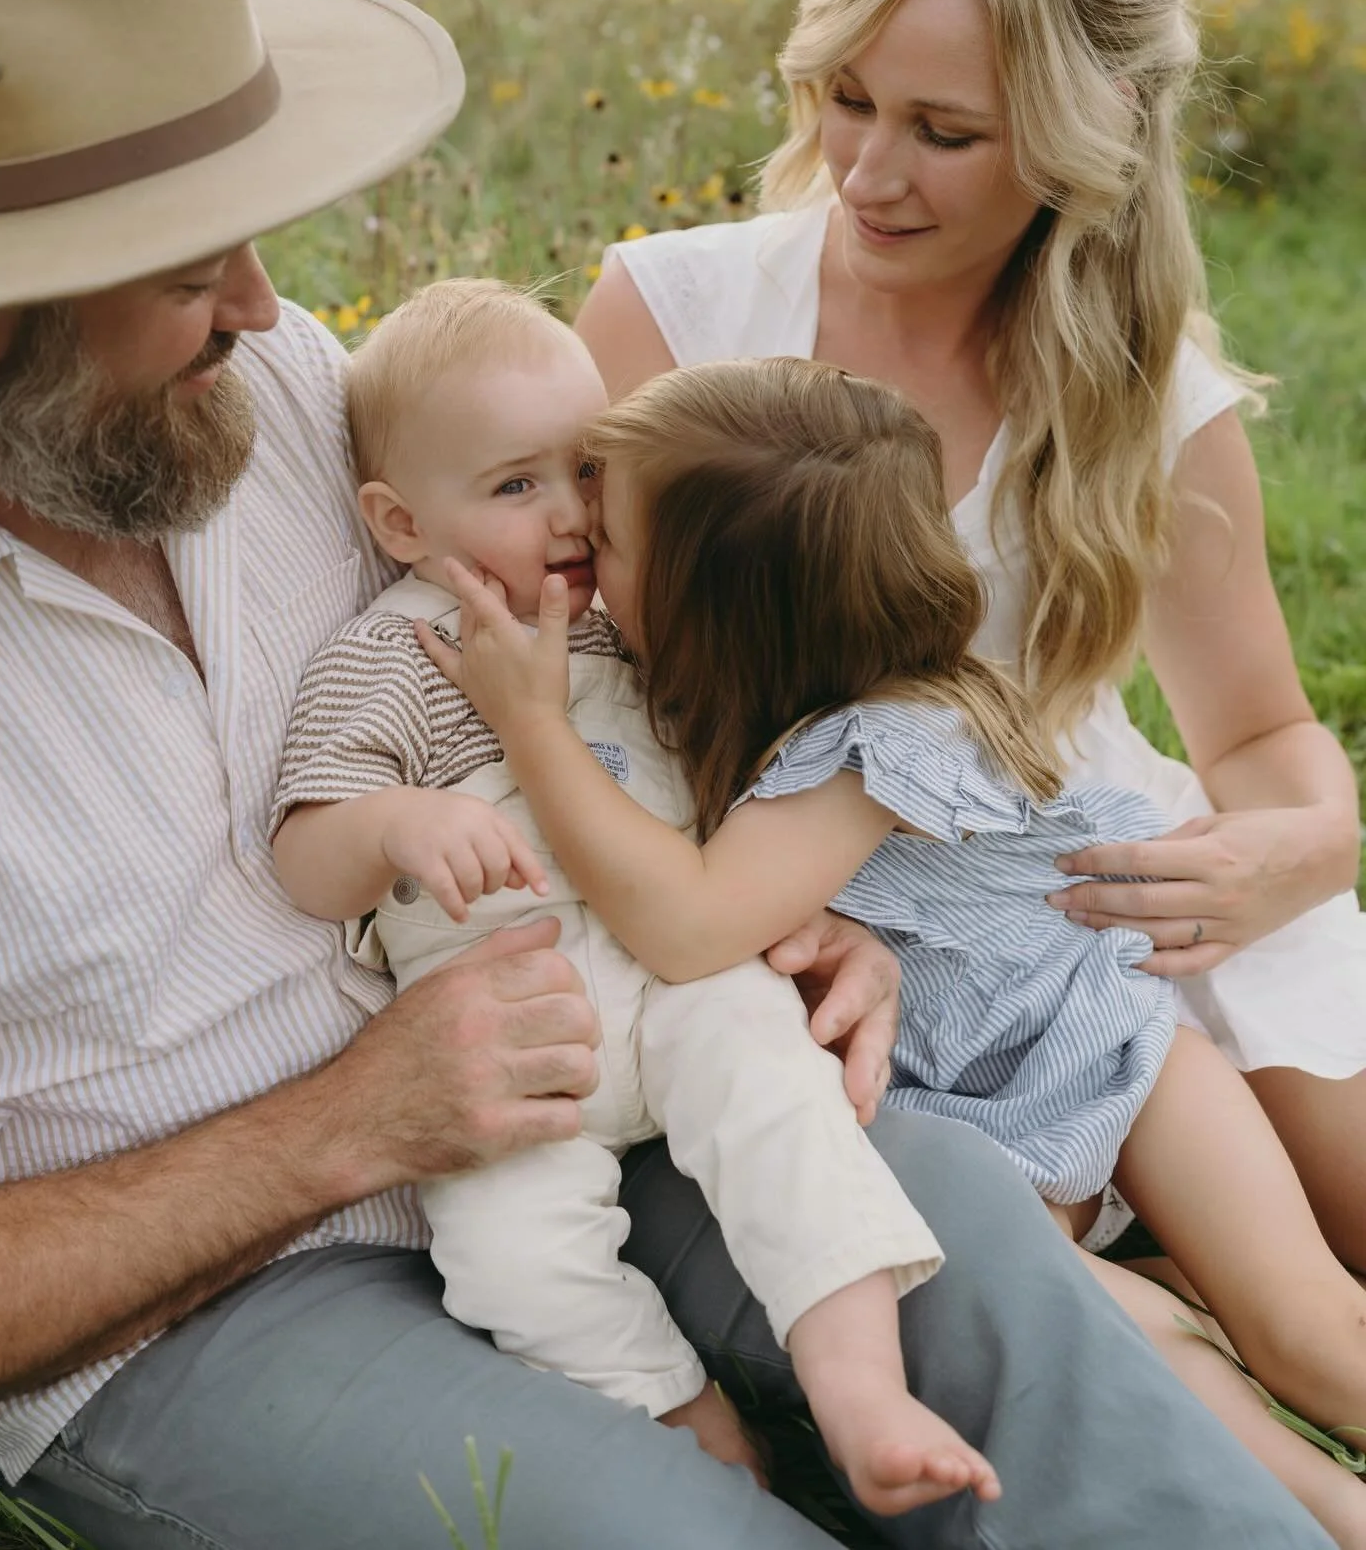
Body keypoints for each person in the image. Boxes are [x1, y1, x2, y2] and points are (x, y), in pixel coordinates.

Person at [0, 0, 1339, 1550]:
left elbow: (611, 648)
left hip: (625, 1068)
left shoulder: (284, 387)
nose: (270, 302)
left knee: (979, 1265)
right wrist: (341, 1121)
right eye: (185, 271)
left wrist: (821, 913)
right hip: (214, 1298)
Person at [416, 355, 1366, 1547]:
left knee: (1312, 1326)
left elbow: (689, 919)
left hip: (1099, 1038)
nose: (577, 552)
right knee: (1109, 1335)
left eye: (605, 539)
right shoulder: (704, 712)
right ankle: (1332, 1506)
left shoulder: (878, 740)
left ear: (713, 602)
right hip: (967, 1119)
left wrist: (534, 725)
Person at [575, 0, 1366, 1265]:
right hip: (812, 910)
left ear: (1090, 136)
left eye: (944, 133)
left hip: (1107, 888)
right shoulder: (672, 316)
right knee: (1039, 1279)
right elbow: (577, 666)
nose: (867, 172)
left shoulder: (1142, 393)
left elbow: (1260, 727)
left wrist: (1301, 846)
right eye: (849, 100)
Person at [271, 279, 1000, 1519]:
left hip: (683, 991)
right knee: (507, 1254)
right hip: (506, 1039)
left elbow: (735, 820)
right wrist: (397, 821)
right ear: (399, 522)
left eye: (583, 471)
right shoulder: (387, 656)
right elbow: (302, 852)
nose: (568, 517)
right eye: (514, 486)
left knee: (785, 1106)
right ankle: (682, 1413)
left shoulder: (627, 628)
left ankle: (860, 1383)